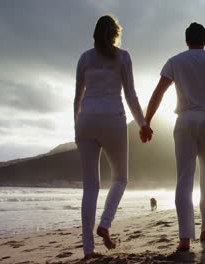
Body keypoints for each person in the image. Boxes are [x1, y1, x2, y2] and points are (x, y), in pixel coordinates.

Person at [143, 22, 205, 251]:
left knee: (184, 180)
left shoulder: (175, 61)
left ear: (187, 40)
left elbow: (159, 91)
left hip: (185, 121)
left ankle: (185, 237)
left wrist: (147, 122)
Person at [74, 15, 152, 259]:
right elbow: (130, 95)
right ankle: (105, 223)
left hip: (86, 120)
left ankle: (88, 250)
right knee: (120, 178)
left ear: (95, 34)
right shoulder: (123, 57)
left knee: (90, 188)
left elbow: (77, 97)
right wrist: (143, 124)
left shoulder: (84, 58)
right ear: (115, 34)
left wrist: (76, 126)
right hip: (112, 119)